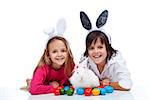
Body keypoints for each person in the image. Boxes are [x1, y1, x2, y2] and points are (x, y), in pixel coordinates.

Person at [79, 10, 132, 91]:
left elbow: (127, 84)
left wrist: (109, 84)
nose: (96, 51)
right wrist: (99, 83)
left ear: (107, 48)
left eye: (100, 47)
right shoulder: (85, 60)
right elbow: (79, 80)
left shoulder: (116, 60)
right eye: (91, 48)